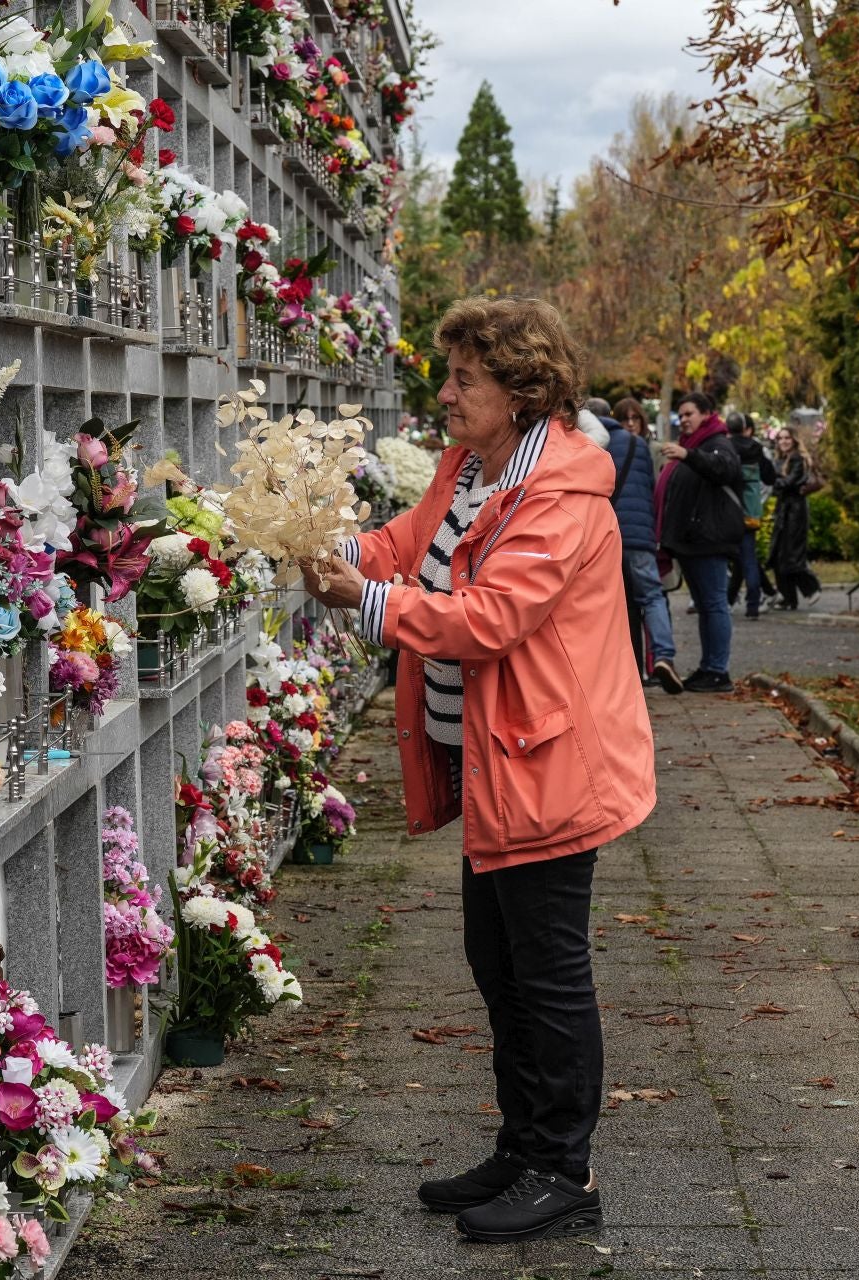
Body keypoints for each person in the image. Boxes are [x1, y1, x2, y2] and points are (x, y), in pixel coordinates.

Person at [304, 296, 655, 1244]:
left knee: (547, 973)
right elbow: (401, 548)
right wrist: (310, 541)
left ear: (522, 390)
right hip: (500, 765)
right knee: (495, 963)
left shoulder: (562, 493)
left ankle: (563, 1172)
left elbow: (494, 618)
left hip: (551, 764)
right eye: (448, 375)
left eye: (466, 378)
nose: (446, 393)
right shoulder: (470, 469)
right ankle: (521, 1146)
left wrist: (370, 603)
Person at [655, 391, 744, 690]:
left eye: (690, 414)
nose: (684, 420)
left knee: (715, 604)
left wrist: (688, 456)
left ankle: (718, 671)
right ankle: (709, 668)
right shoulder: (694, 445)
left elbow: (725, 469)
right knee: (706, 606)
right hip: (692, 540)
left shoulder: (717, 443)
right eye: (681, 416)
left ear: (707, 414)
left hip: (709, 539)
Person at [607, 410, 681, 691]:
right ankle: (663, 656)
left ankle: (621, 672)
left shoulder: (589, 441)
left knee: (613, 604)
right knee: (651, 596)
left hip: (608, 536)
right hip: (640, 535)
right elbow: (652, 487)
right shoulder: (638, 444)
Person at [723, 412, 776, 620]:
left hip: (729, 509)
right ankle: (753, 604)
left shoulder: (726, 447)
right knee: (749, 558)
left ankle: (726, 600)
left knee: (730, 557)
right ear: (747, 428)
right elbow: (770, 476)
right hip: (751, 511)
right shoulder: (756, 448)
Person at [768, 424, 823, 610]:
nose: (783, 441)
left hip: (795, 511)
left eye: (787, 438)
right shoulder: (781, 459)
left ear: (794, 440)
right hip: (784, 509)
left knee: (791, 555)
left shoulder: (798, 459)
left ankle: (811, 587)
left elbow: (789, 482)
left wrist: (773, 484)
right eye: (780, 438)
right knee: (777, 556)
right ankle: (788, 597)